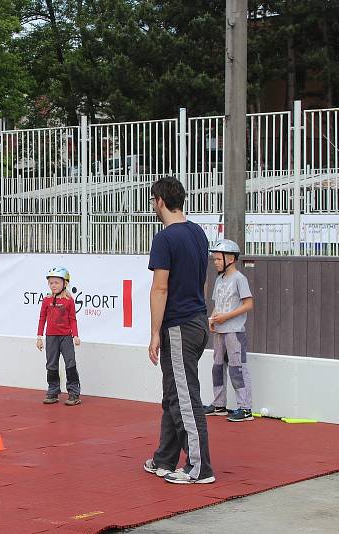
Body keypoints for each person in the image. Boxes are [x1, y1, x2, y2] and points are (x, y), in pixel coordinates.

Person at [144, 176, 215, 484]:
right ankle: (164, 459)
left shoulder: (165, 238)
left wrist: (155, 333)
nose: (152, 206)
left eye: (152, 201)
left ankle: (199, 469)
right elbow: (203, 281)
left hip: (179, 326)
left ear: (160, 200)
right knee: (175, 394)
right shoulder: (198, 233)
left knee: (184, 397)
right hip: (197, 322)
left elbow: (160, 288)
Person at [204, 239, 255, 422]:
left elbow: (248, 304)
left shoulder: (240, 279)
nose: (216, 262)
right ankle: (219, 405)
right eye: (215, 259)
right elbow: (218, 303)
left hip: (234, 330)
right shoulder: (219, 279)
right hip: (220, 330)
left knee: (237, 368)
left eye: (218, 259)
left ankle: (245, 408)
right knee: (217, 367)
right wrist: (213, 318)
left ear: (231, 259)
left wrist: (227, 317)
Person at [36, 267, 82, 406]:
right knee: (51, 364)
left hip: (66, 337)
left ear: (64, 284)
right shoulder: (46, 300)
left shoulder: (69, 301)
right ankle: (53, 390)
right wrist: (39, 337)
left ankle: (74, 392)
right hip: (51, 337)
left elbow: (73, 319)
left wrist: (75, 335)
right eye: (51, 283)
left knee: (70, 363)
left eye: (56, 282)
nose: (53, 285)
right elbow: (42, 318)